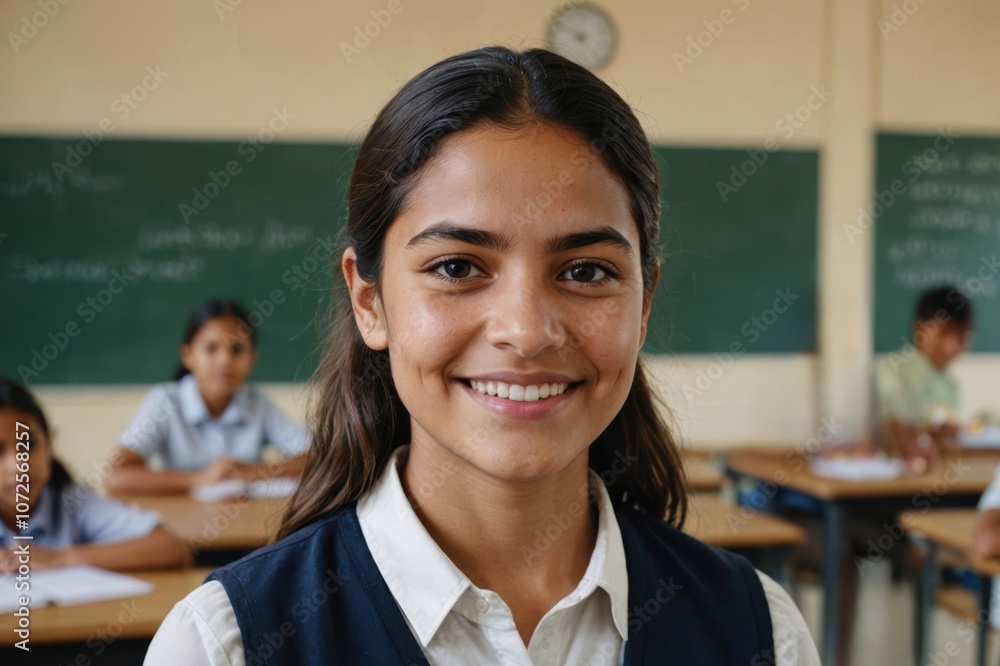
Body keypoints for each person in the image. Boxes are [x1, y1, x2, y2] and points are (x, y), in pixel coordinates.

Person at [145, 47, 818, 665]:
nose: (526, 332)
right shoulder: (222, 645)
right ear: (369, 301)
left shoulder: (761, 631)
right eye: (457, 265)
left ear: (644, 304)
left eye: (585, 272)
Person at [105, 299, 310, 496]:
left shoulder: (257, 403)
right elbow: (116, 477)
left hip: (245, 521)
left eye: (237, 349)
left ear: (252, 358)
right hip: (183, 524)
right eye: (211, 348)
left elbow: (317, 456)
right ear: (188, 355)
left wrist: (256, 473)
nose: (224, 360)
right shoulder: (164, 401)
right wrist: (198, 479)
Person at [0, 378, 191, 572]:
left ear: (49, 444)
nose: (18, 465)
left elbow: (171, 548)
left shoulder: (74, 502)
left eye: (28, 445)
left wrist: (61, 558)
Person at [874, 285, 974, 471]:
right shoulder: (892, 368)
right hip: (898, 478)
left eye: (960, 337)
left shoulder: (950, 382)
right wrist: (923, 432)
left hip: (938, 473)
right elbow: (893, 428)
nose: (951, 346)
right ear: (920, 327)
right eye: (945, 333)